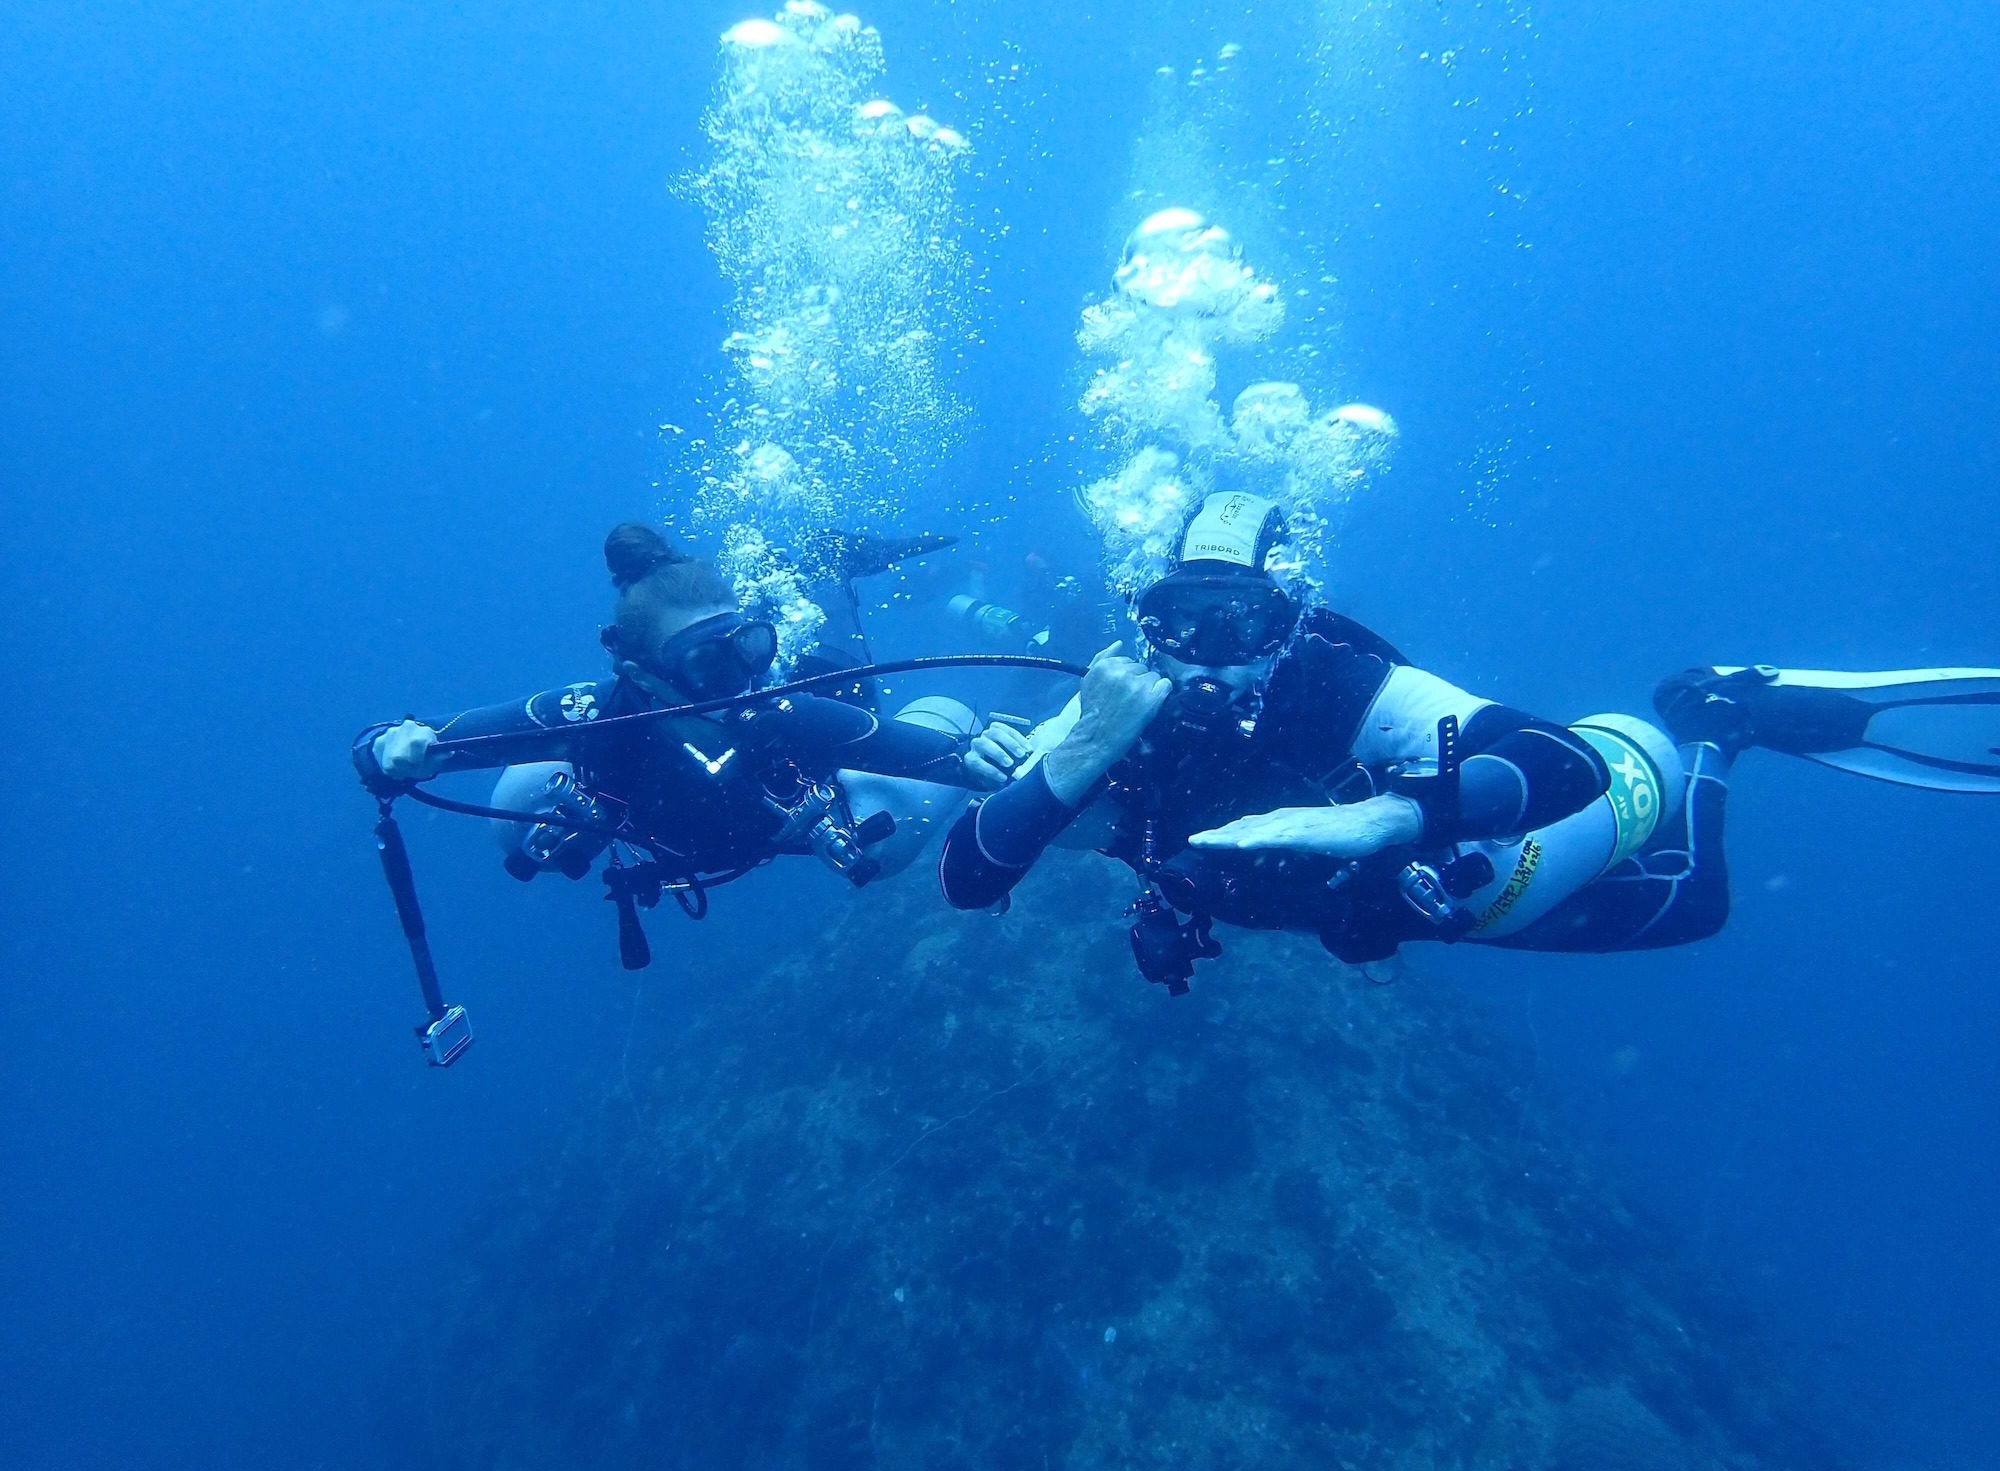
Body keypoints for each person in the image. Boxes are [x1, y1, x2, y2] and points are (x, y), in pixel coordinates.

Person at [940, 492, 2000, 988]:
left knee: (1691, 900)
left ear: (1290, 621)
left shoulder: (1344, 686)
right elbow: (967, 874)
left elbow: (1560, 762)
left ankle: (1721, 726)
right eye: (1179, 622)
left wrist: (1396, 812)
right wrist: (1068, 759)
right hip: (1330, 909)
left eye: (1245, 624)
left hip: (1468, 863)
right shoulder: (1110, 717)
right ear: (1143, 621)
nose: (1208, 658)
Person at [355, 523, 1026, 907]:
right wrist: (399, 749)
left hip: (819, 756)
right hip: (676, 824)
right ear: (642, 672)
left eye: (749, 648)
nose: (740, 681)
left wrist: (978, 763)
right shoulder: (595, 712)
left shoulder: (781, 706)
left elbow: (940, 757)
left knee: (896, 830)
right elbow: (389, 745)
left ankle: (826, 564)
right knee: (517, 801)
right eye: (707, 665)